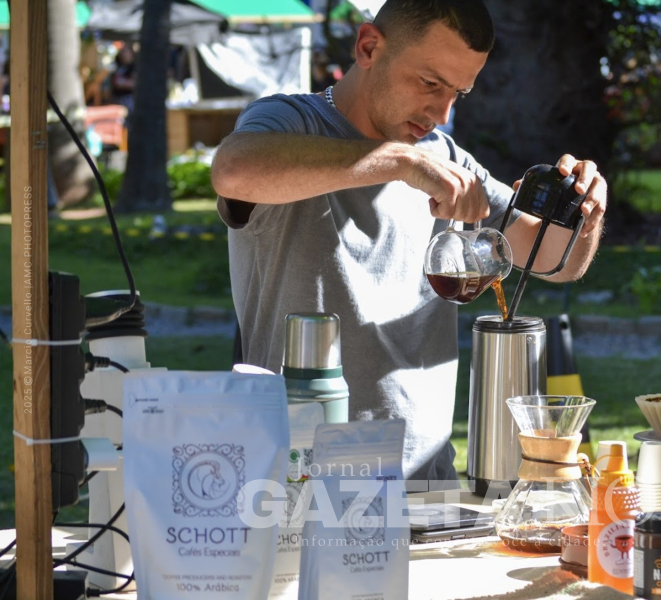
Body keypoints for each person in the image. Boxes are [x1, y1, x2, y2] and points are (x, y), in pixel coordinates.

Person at [210, 0, 605, 486]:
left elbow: (555, 259)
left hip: (425, 485)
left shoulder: (447, 160)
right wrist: (399, 162)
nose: (441, 112)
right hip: (300, 484)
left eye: (457, 93)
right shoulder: (291, 121)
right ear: (368, 47)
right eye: (430, 83)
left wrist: (587, 211)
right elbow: (234, 170)